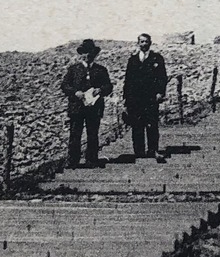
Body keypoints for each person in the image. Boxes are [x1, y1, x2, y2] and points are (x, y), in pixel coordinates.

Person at [61, 38, 113, 168]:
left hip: (94, 107)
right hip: (77, 107)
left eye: (90, 52)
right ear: (81, 54)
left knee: (93, 133)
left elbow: (108, 86)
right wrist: (75, 92)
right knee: (75, 134)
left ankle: (91, 159)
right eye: (85, 52)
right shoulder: (74, 69)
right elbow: (64, 86)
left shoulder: (101, 70)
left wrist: (100, 90)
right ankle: (73, 161)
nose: (88, 55)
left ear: (94, 54)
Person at [122, 32, 169, 161]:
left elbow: (162, 77)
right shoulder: (133, 60)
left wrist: (160, 92)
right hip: (135, 98)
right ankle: (139, 151)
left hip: (150, 97)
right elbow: (128, 80)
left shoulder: (157, 58)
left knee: (151, 124)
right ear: (138, 43)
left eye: (146, 41)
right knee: (137, 124)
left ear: (150, 43)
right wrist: (126, 98)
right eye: (141, 42)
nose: (144, 44)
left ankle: (153, 150)